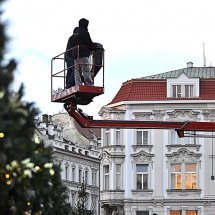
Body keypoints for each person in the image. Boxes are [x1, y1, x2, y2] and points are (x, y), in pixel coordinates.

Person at [72, 18, 95, 86]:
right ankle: (89, 85)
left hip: (75, 54)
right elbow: (89, 43)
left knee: (77, 71)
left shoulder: (75, 33)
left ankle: (78, 85)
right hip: (83, 54)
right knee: (86, 70)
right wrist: (94, 48)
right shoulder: (84, 32)